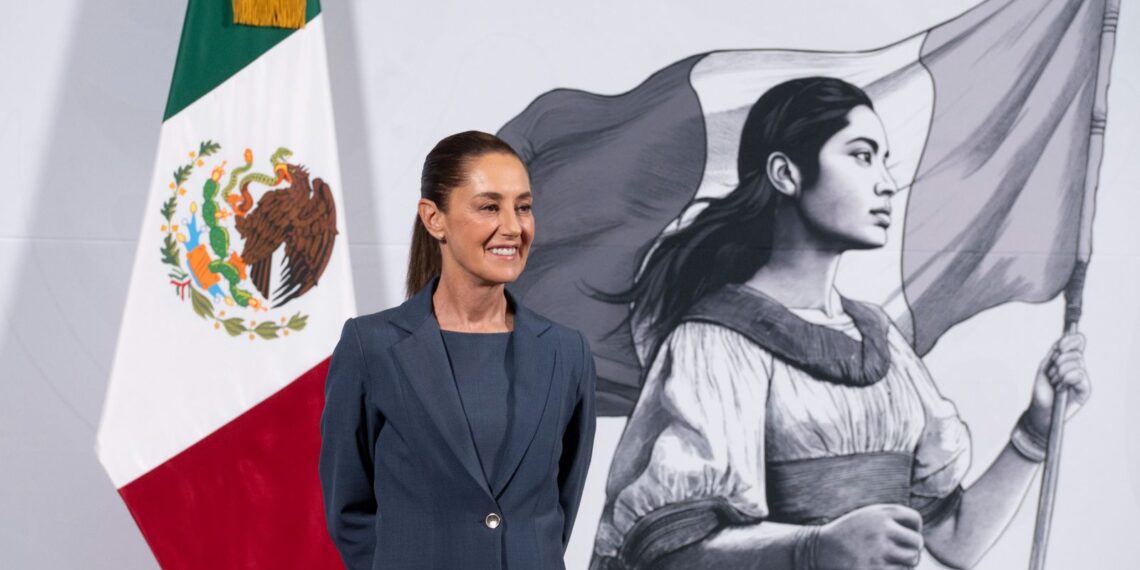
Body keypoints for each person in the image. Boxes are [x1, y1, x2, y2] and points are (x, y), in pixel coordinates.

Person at [590, 78, 1091, 570]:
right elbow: (670, 553)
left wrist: (1036, 431)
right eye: (861, 155)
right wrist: (813, 548)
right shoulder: (717, 341)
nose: (886, 183)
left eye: (884, 161)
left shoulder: (883, 343)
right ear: (786, 174)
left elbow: (955, 540)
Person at [320, 131, 597, 569]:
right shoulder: (370, 346)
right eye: (490, 206)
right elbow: (348, 509)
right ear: (435, 219)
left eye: (522, 207)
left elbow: (560, 505)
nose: (513, 226)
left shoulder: (567, 353)